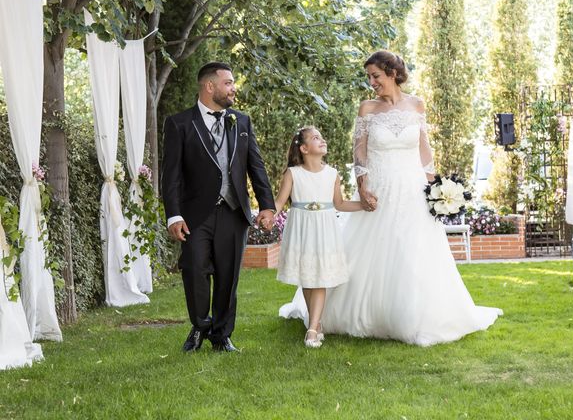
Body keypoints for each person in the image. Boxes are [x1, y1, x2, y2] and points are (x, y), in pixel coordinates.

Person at [281, 51, 502, 346]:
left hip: (412, 190)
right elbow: (359, 150)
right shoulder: (367, 109)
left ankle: (415, 316)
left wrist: (438, 188)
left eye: (376, 76)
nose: (372, 82)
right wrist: (362, 185)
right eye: (369, 77)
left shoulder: (417, 104)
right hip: (380, 187)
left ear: (393, 73)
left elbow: (424, 151)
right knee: (371, 249)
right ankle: (341, 314)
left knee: (414, 250)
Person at [162, 61, 276, 353]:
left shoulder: (241, 121)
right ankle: (200, 326)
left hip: (233, 211)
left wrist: (266, 205)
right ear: (209, 86)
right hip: (194, 215)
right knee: (195, 272)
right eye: (228, 82)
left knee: (229, 275)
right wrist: (173, 214)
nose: (233, 88)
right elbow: (171, 175)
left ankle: (222, 335)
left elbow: (256, 165)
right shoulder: (180, 124)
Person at [274, 127, 362, 348]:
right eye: (315, 138)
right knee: (307, 276)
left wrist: (364, 205)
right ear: (304, 149)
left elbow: (339, 203)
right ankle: (316, 322)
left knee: (320, 278)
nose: (322, 140)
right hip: (301, 228)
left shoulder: (332, 173)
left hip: (324, 229)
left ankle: (313, 329)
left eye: (322, 137)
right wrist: (268, 215)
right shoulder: (293, 174)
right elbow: (279, 202)